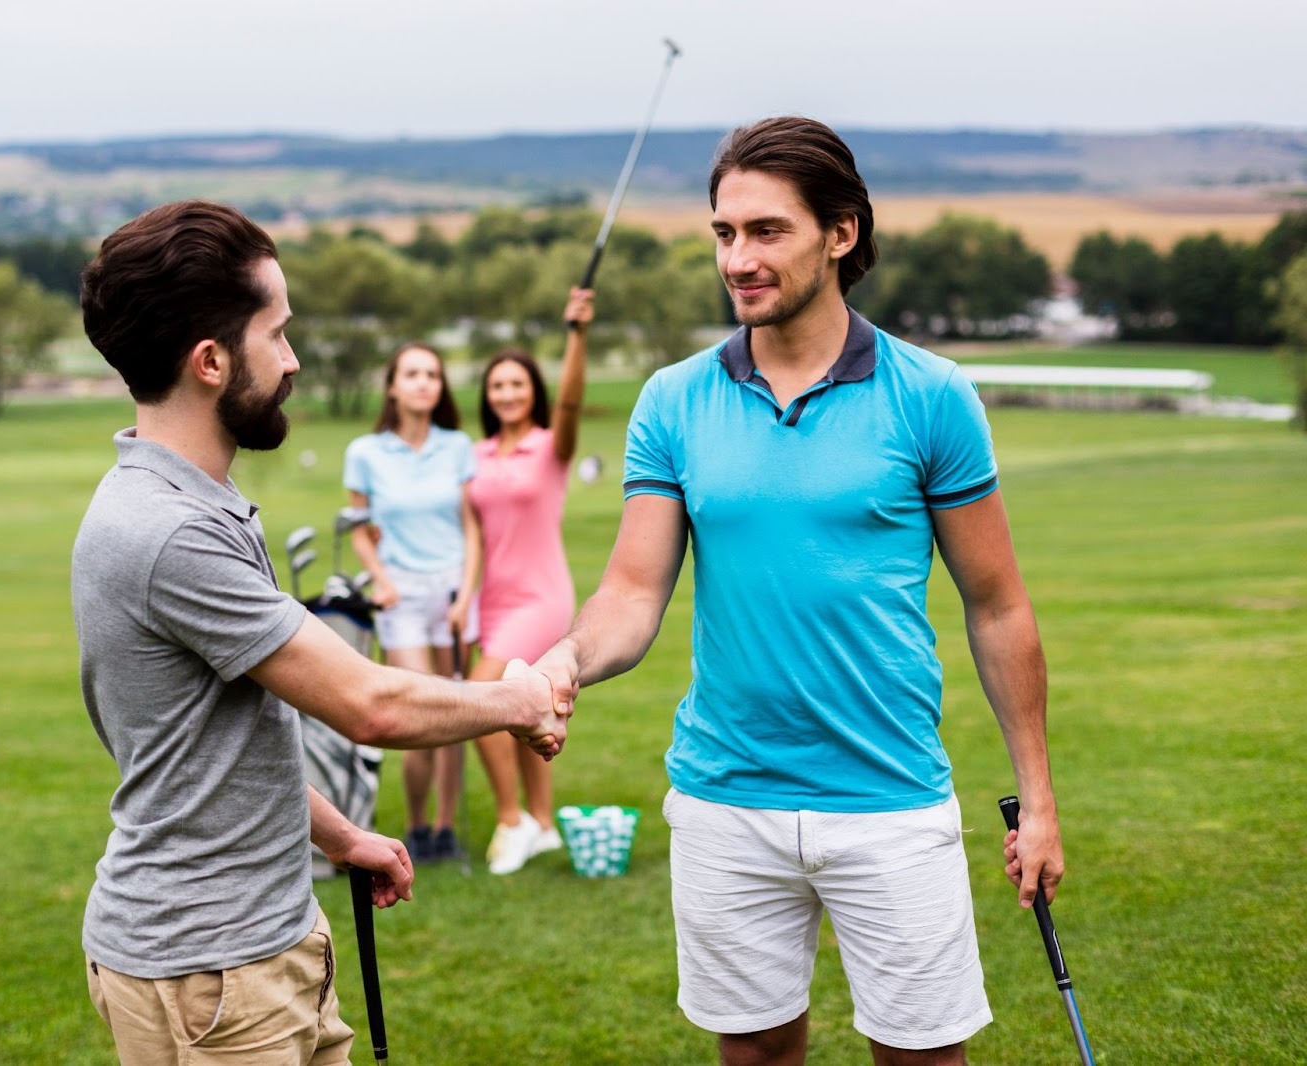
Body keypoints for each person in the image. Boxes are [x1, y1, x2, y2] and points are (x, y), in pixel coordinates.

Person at [531, 118, 1065, 1066]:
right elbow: (632, 592)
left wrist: (1040, 798)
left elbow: (998, 606)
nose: (737, 259)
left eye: (767, 231)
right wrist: (567, 658)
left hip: (889, 795)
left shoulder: (932, 395)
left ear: (841, 233)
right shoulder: (673, 400)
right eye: (724, 233)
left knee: (923, 1056)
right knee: (757, 1054)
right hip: (725, 798)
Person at [72, 200, 566, 1066]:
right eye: (278, 334)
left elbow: (209, 753)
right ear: (211, 361)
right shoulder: (170, 532)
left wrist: (339, 837)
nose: (294, 360)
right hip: (210, 973)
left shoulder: (195, 504)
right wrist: (518, 700)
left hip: (267, 941)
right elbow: (368, 705)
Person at [465, 287, 594, 875]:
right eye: (498, 385)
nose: (508, 393)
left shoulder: (550, 448)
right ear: (487, 395)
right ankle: (542, 825)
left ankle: (511, 820)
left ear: (533, 391)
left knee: (482, 700)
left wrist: (577, 334)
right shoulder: (477, 454)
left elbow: (570, 404)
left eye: (518, 384)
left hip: (539, 598)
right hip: (491, 600)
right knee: (526, 709)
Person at [342, 344, 479, 864]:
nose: (424, 383)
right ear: (393, 387)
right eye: (413, 374)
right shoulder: (365, 452)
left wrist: (467, 593)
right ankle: (417, 825)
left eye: (432, 375)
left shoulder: (457, 446)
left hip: (452, 592)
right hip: (400, 593)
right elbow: (360, 531)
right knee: (420, 714)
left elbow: (471, 528)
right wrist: (381, 580)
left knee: (457, 716)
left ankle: (445, 828)